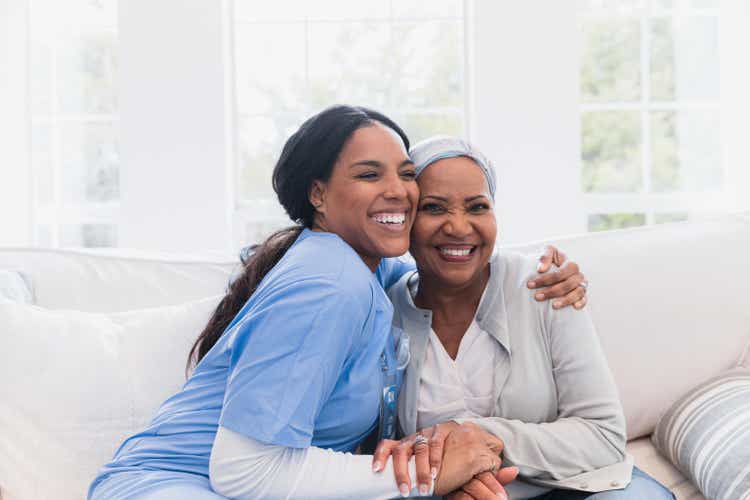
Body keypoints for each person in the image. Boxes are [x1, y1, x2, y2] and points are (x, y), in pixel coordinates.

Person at [88, 106, 586, 500]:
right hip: (170, 487)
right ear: (319, 195)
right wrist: (426, 475)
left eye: (406, 174)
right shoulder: (330, 284)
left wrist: (532, 272)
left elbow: (438, 262)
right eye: (370, 175)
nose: (398, 191)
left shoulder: (362, 264)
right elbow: (243, 469)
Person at [376, 136, 675, 500]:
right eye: (435, 208)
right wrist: (449, 480)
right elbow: (378, 449)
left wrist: (481, 436)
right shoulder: (384, 312)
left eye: (477, 207)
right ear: (405, 219)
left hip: (575, 487)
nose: (458, 226)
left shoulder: (545, 286)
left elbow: (603, 436)